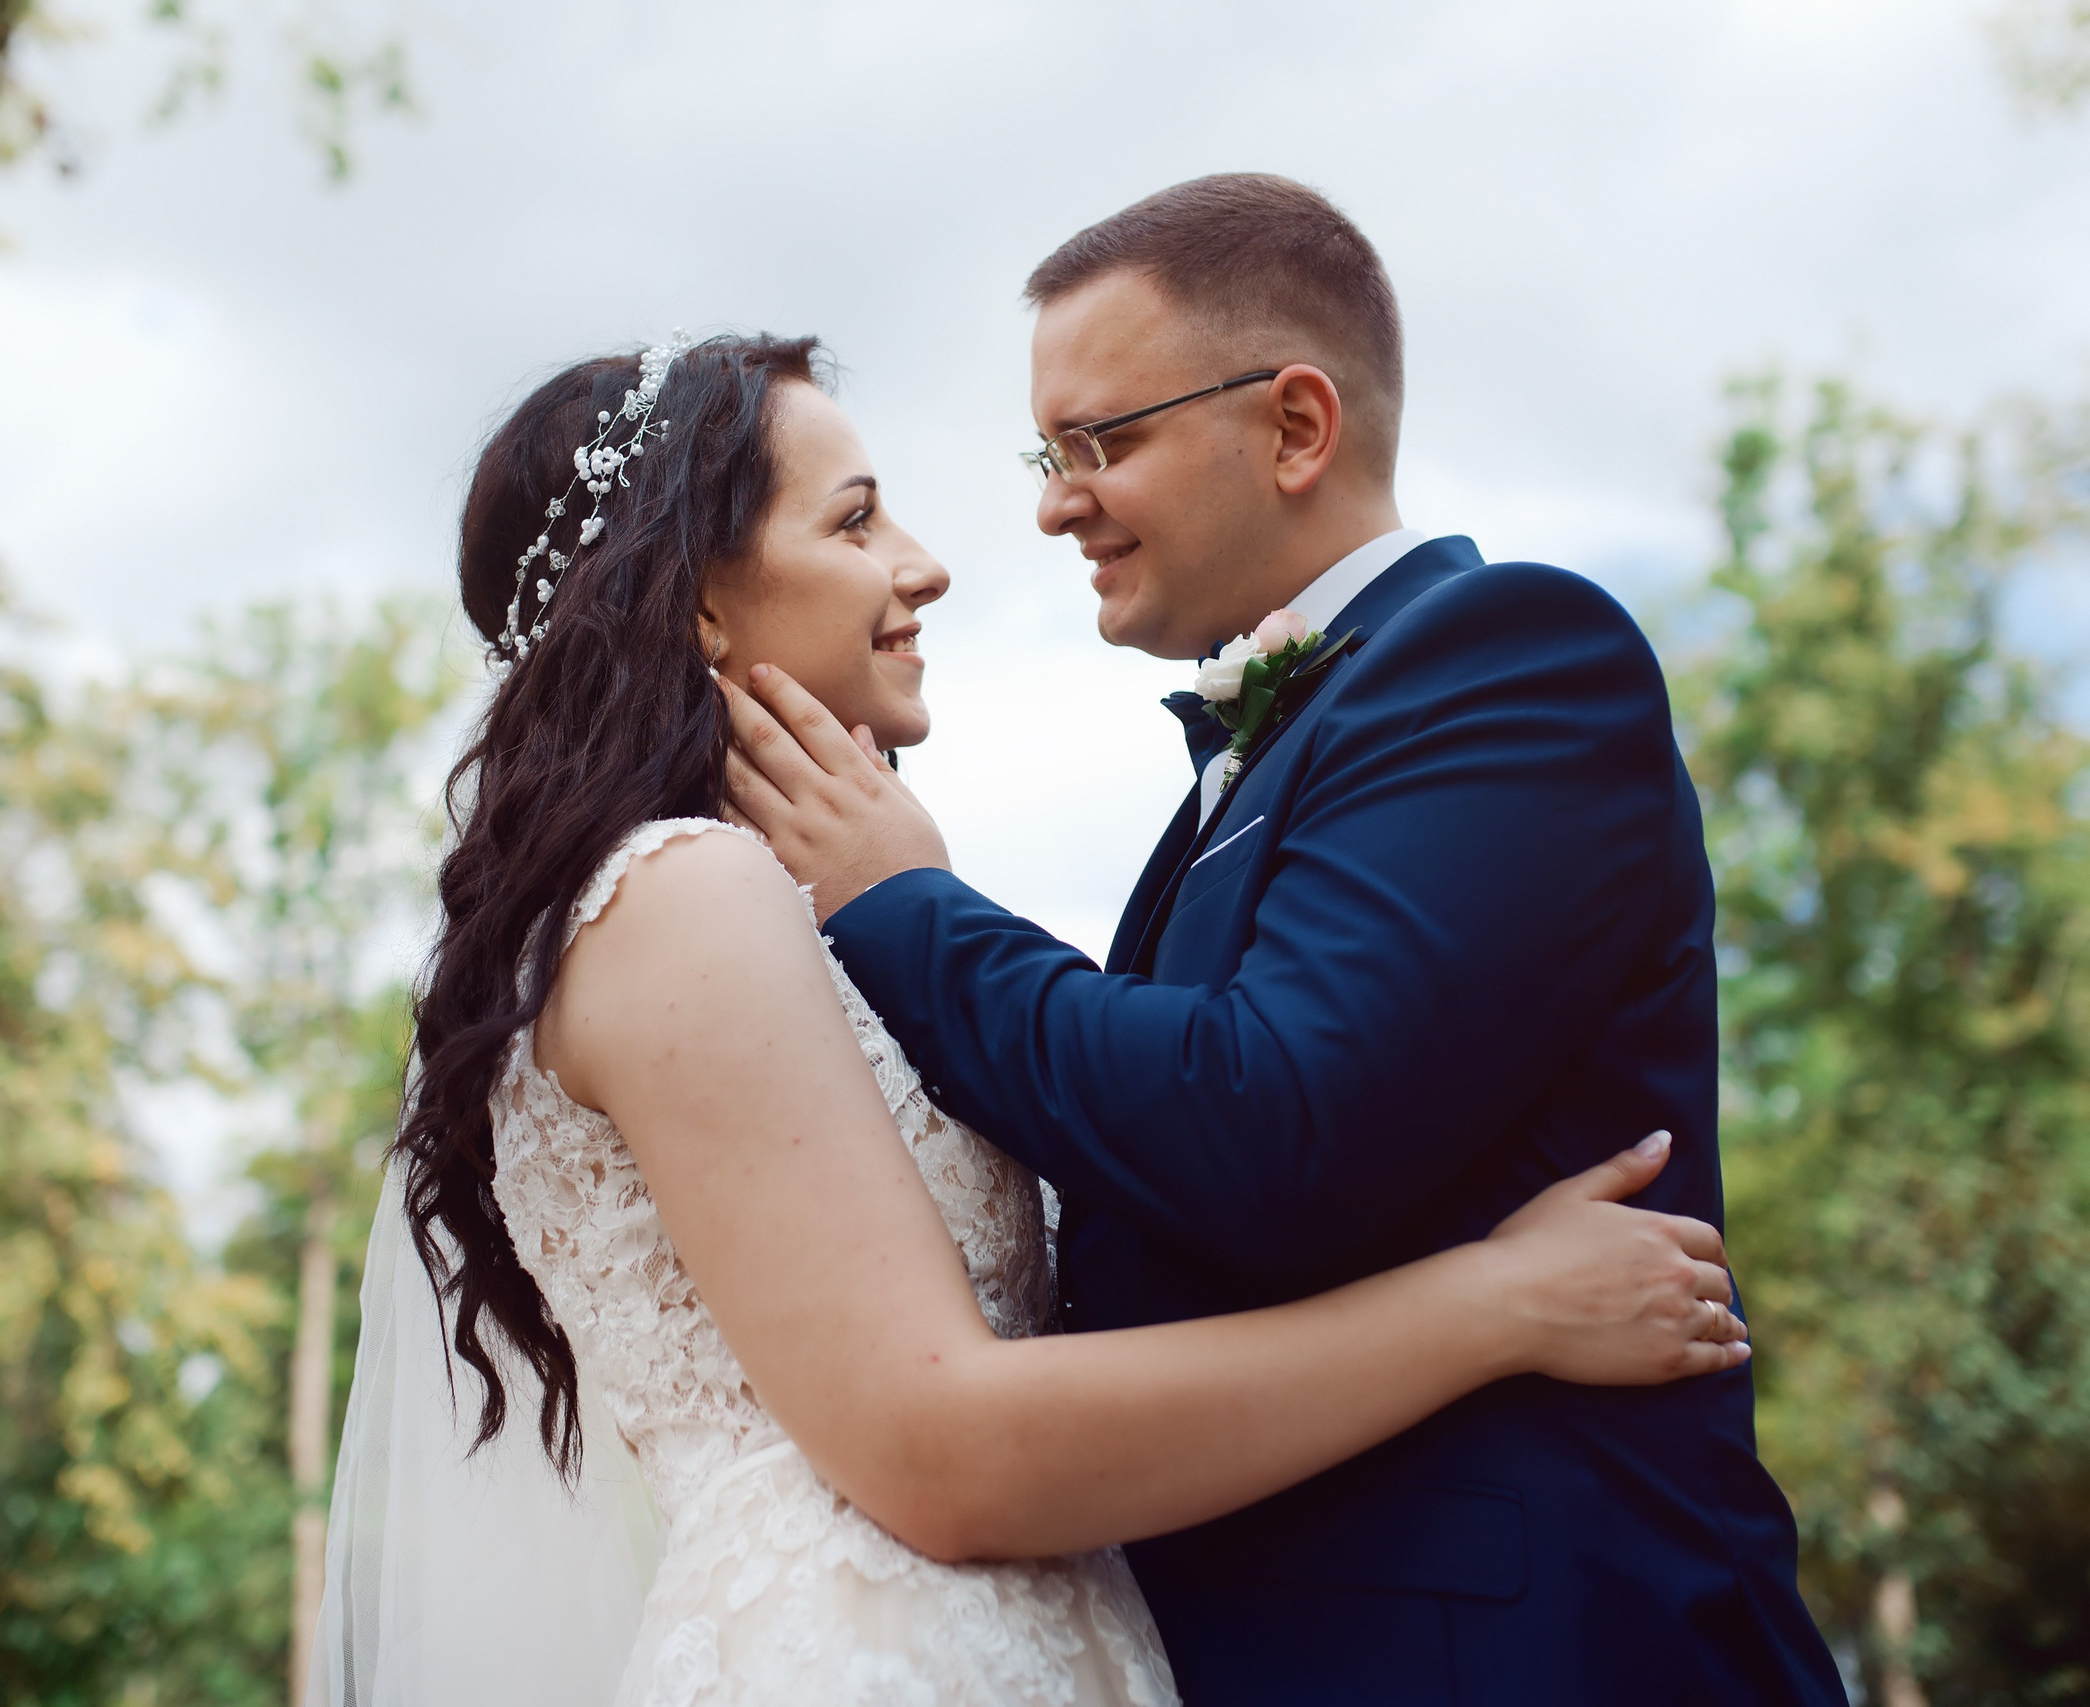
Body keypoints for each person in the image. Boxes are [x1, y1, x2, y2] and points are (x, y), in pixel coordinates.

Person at [313, 330, 1753, 1707]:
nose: (925, 566)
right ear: (697, 600)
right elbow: (941, 1444)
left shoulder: (765, 910)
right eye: (858, 521)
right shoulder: (687, 899)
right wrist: (1496, 1305)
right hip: (876, 1657)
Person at [722, 177, 1849, 1705]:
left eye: (1100, 443)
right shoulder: (1240, 773)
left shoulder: (1515, 661)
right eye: (1047, 455)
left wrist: (904, 908)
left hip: (1504, 1655)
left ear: (1298, 427)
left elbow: (1274, 1122)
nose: (1055, 503)